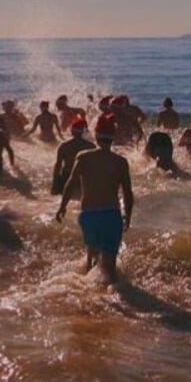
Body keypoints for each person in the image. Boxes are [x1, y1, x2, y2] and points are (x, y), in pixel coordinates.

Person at [55, 115, 134, 283]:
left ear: (96, 136)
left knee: (91, 259)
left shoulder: (83, 157)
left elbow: (70, 183)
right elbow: (128, 193)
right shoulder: (121, 162)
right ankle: (112, 292)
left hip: (89, 215)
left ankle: (88, 291)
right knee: (110, 266)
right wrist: (128, 216)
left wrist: (62, 207)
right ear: (113, 138)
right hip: (111, 215)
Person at [51, 116, 95, 196]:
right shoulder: (90, 146)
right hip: (82, 178)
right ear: (82, 132)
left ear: (72, 131)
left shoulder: (64, 146)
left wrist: (55, 184)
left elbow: (58, 165)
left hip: (67, 177)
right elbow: (94, 166)